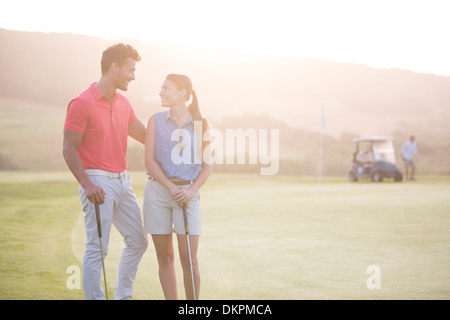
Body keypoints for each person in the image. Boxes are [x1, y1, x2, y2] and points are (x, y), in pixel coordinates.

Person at [63, 43, 148, 300]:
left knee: (139, 241)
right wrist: (87, 184)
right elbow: (68, 148)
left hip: (123, 181)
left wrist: (177, 138)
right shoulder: (82, 102)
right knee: (97, 248)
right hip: (98, 181)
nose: (133, 76)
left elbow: (145, 135)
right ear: (114, 68)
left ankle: (123, 297)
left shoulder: (123, 102)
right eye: (130, 70)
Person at [143, 74, 212, 300]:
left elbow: (207, 167)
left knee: (189, 259)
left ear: (183, 92)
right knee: (165, 258)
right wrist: (171, 188)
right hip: (158, 194)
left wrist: (190, 191)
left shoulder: (202, 124)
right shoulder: (155, 120)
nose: (161, 92)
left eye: (166, 88)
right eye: (161, 88)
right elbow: (149, 162)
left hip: (189, 196)